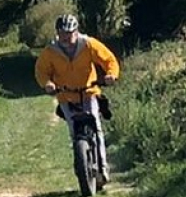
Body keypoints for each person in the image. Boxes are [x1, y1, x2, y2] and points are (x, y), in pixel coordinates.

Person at [35, 13, 121, 180]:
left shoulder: (88, 44)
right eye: (62, 34)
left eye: (70, 33)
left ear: (76, 32)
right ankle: (81, 165)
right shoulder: (50, 51)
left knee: (96, 127)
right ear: (57, 33)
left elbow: (109, 60)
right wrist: (47, 84)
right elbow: (41, 71)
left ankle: (103, 169)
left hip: (89, 92)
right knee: (74, 132)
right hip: (65, 95)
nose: (66, 38)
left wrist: (111, 74)